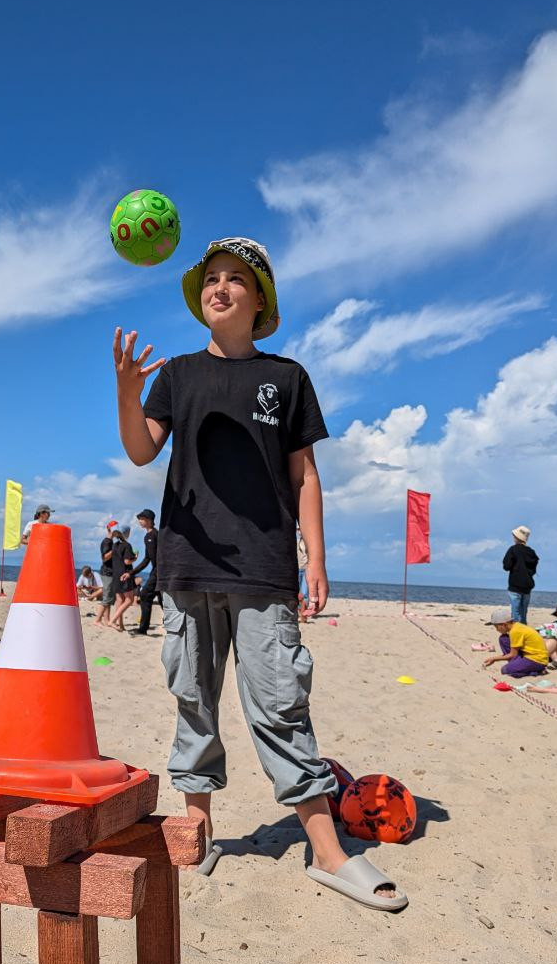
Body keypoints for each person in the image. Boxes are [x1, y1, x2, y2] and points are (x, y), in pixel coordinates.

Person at [113, 235, 406, 910]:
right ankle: (197, 833)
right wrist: (128, 394)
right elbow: (140, 451)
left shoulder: (287, 377)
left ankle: (327, 853)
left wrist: (316, 558)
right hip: (187, 565)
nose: (219, 287)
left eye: (234, 279)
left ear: (259, 299)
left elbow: (304, 475)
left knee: (280, 705)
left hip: (265, 567)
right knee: (193, 700)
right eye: (210, 278)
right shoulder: (177, 375)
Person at [481, 607, 548, 677]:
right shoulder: (516, 626)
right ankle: (516, 663)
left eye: (496, 627)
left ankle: (536, 671)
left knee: (505, 670)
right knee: (503, 639)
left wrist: (494, 659)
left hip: (537, 660)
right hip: (527, 654)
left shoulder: (515, 631)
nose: (497, 630)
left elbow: (513, 654)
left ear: (504, 625)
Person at [131, 508, 160, 635]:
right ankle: (144, 628)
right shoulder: (147, 536)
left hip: (160, 571)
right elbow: (147, 559)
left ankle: (143, 629)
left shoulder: (156, 534)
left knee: (144, 595)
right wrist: (131, 573)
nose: (140, 521)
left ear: (149, 520)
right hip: (156, 570)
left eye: (142, 519)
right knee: (162, 599)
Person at [502, 525, 538, 624]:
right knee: (523, 614)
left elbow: (506, 566)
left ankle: (517, 632)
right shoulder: (532, 552)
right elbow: (533, 570)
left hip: (515, 585)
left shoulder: (513, 550)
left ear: (516, 537)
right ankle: (523, 631)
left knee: (515, 614)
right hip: (527, 586)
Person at [109, 526, 137, 631]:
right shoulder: (127, 545)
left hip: (116, 574)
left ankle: (120, 625)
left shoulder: (115, 545)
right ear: (127, 533)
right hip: (124, 574)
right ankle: (113, 621)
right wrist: (135, 558)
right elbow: (127, 561)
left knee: (119, 599)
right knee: (129, 600)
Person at [94, 519, 119, 627]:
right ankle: (97, 620)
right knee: (107, 598)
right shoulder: (107, 542)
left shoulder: (110, 541)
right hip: (107, 572)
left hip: (109, 572)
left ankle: (107, 620)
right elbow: (104, 558)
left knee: (108, 598)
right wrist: (115, 549)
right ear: (109, 529)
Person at [297, 526, 309, 615]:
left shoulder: (308, 542)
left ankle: (303, 615)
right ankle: (299, 610)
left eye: (300, 529)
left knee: (304, 593)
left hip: (306, 569)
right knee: (298, 592)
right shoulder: (296, 542)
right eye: (298, 529)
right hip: (297, 569)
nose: (299, 531)